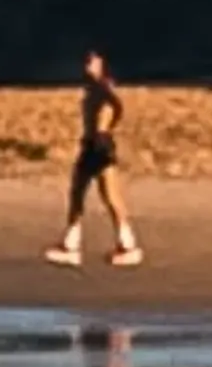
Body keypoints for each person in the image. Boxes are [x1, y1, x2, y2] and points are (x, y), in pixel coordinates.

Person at [48, 53, 142, 270]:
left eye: (92, 62)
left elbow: (111, 111)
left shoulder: (103, 91)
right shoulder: (91, 90)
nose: (86, 66)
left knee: (110, 195)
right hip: (91, 145)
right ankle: (71, 244)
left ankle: (127, 245)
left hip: (99, 147)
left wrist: (100, 133)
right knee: (77, 193)